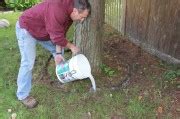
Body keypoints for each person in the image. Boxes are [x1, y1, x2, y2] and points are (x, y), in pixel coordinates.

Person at [15, 0, 91, 108]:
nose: (82, 20)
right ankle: (22, 95)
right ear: (75, 11)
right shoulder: (58, 10)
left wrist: (58, 53)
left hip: (44, 30)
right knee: (28, 63)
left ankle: (62, 76)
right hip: (27, 28)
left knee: (59, 52)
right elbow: (57, 38)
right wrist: (72, 47)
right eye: (82, 17)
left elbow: (60, 34)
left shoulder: (70, 11)